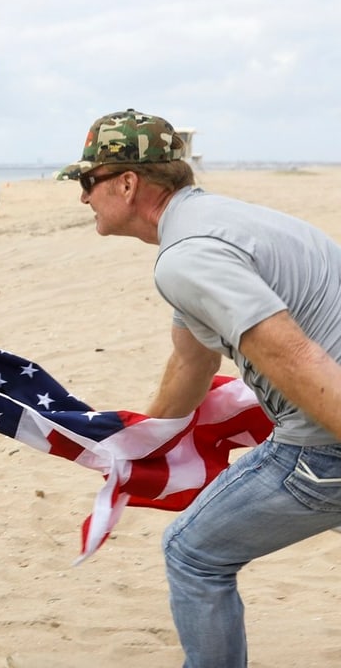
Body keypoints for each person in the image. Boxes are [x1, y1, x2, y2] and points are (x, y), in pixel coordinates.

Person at [56, 109, 341, 667]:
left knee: (192, 553)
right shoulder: (217, 222)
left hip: (324, 444)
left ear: (127, 183)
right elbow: (191, 363)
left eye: (88, 182)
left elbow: (296, 357)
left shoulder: (188, 257)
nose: (83, 198)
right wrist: (133, 444)